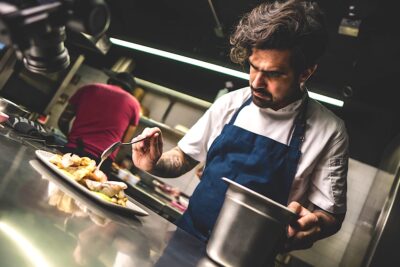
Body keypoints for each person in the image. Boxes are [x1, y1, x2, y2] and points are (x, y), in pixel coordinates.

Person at [131, 0, 349, 252]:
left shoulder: (330, 132)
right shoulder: (230, 104)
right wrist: (153, 163)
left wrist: (315, 225)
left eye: (274, 73)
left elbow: (330, 214)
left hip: (247, 259)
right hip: (185, 241)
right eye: (253, 67)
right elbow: (182, 158)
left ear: (305, 73)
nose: (256, 82)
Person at [58, 71, 141, 174]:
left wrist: (71, 138)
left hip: (73, 150)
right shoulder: (134, 105)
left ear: (111, 81)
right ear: (130, 90)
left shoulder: (87, 88)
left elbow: (63, 121)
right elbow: (124, 141)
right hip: (102, 161)